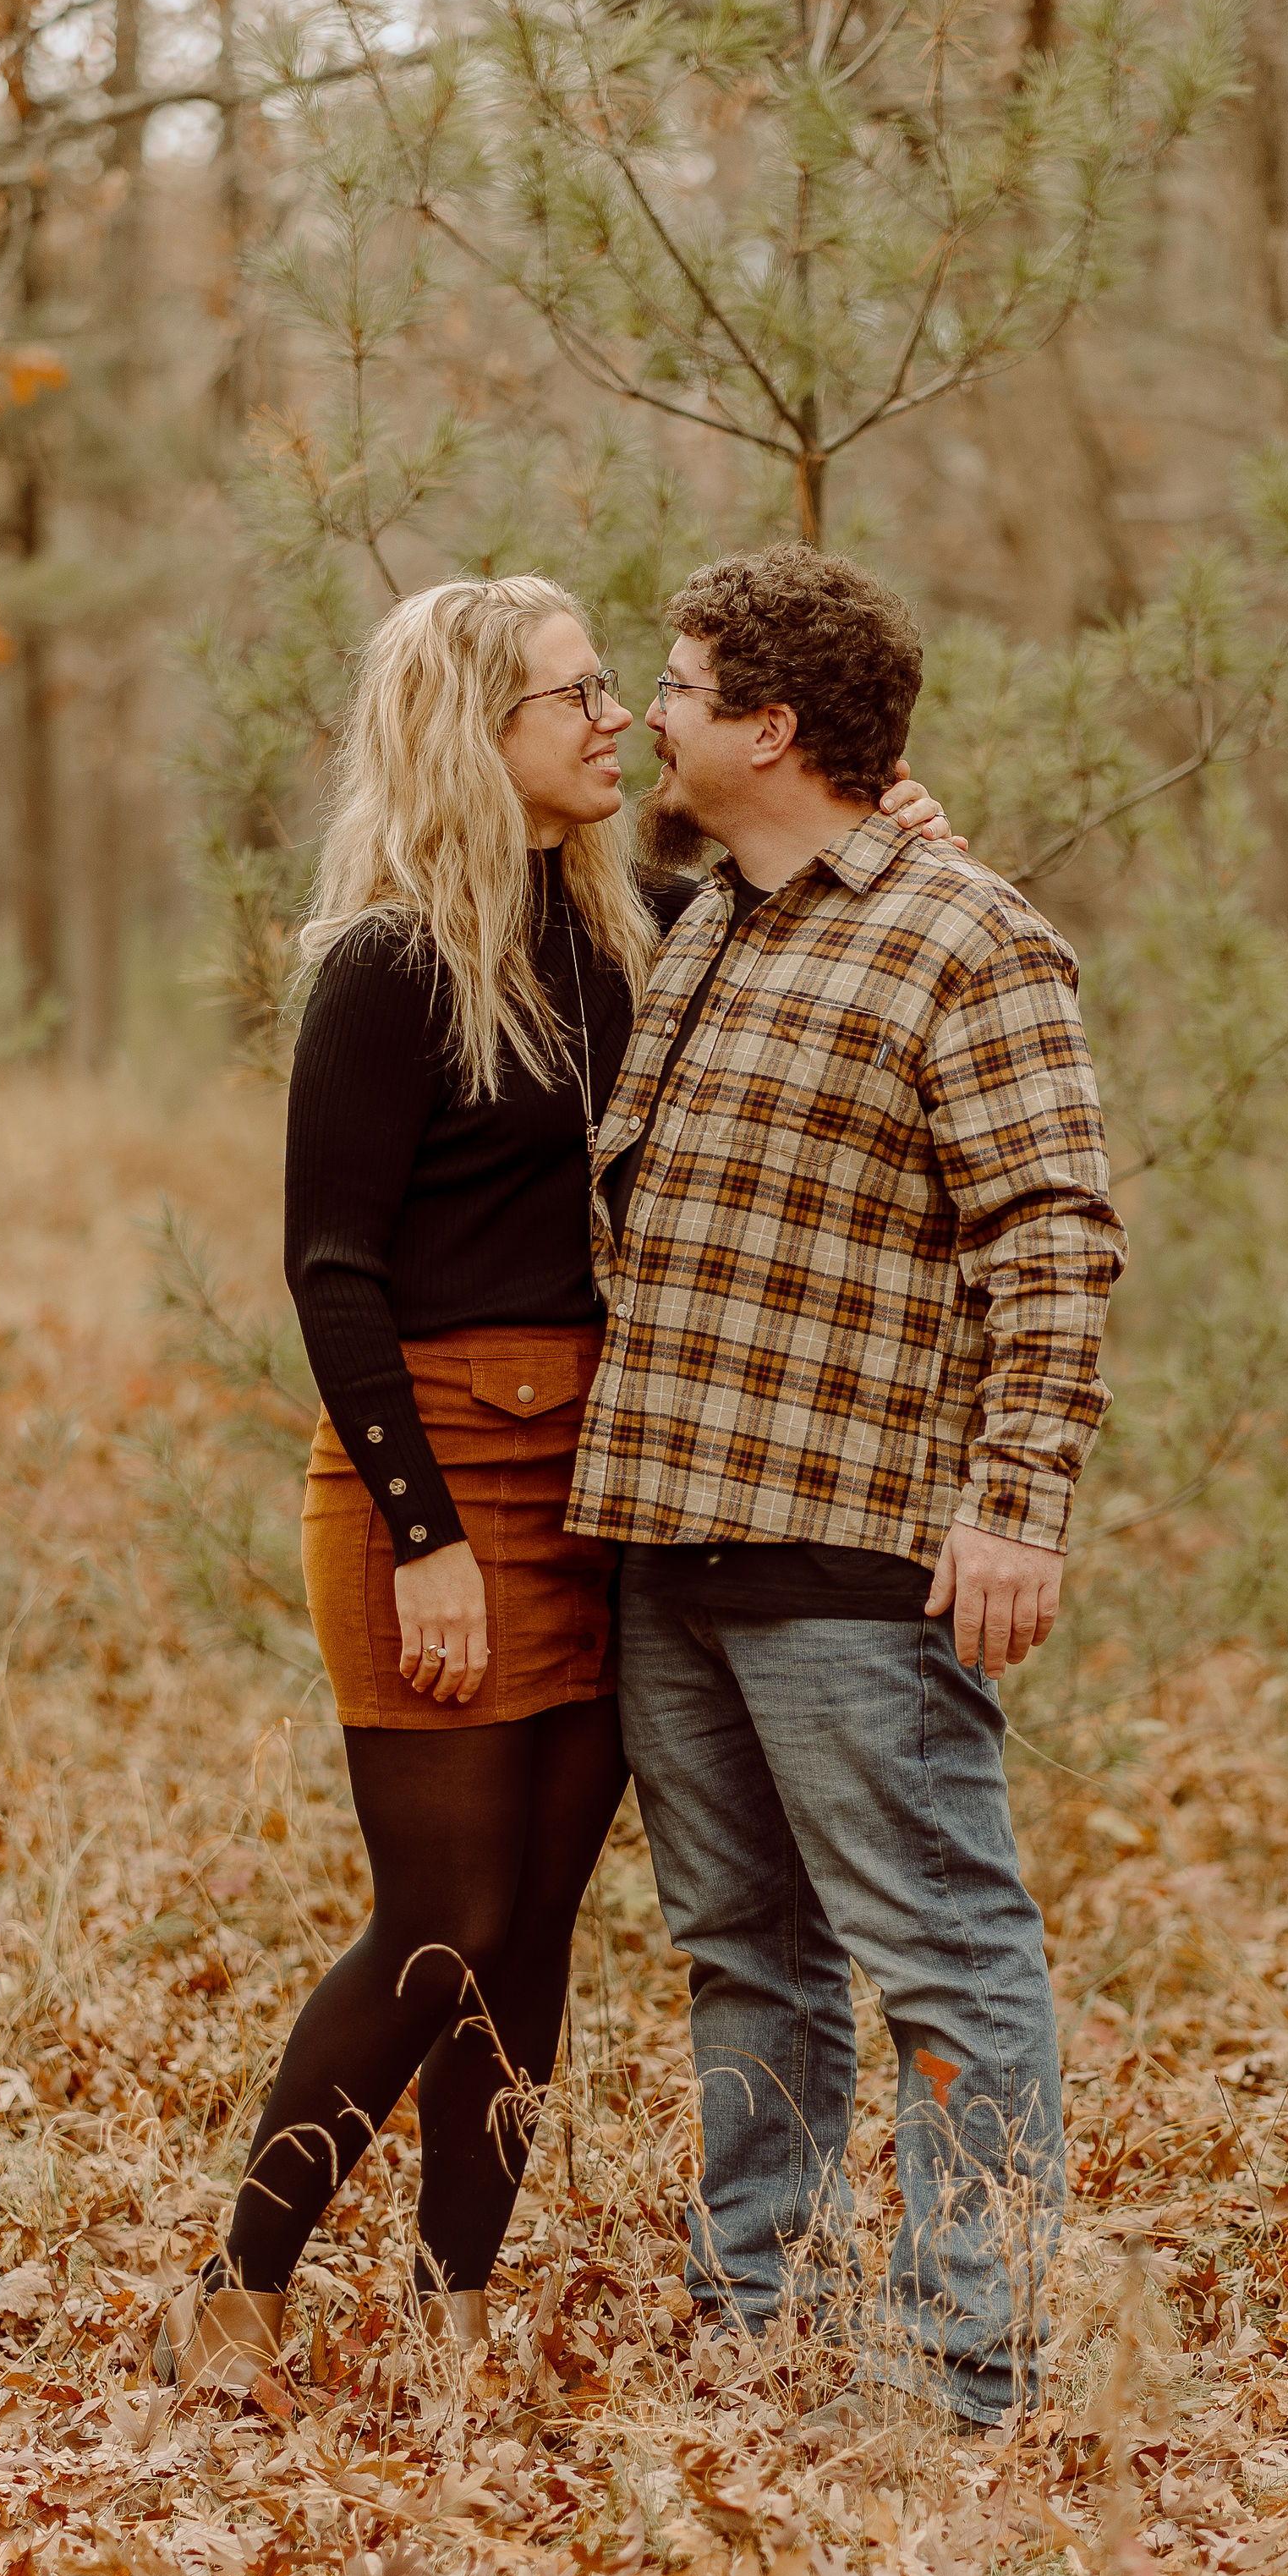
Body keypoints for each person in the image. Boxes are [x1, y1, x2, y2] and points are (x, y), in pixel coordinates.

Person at [154, 573, 959, 2403]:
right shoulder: (386, 968)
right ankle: (234, 2289)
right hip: (429, 1471)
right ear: (475, 734)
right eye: (574, 696)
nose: (616, 720)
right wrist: (426, 1537)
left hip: (603, 1471)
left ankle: (456, 2314)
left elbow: (817, 906)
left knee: (529, 1927)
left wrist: (904, 835)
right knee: (443, 1917)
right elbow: (331, 1270)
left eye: (617, 688)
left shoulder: (639, 926)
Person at [565, 545, 1126, 2437]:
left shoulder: (971, 941)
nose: (648, 713)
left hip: (854, 1558)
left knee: (943, 1958)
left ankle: (974, 2370)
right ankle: (759, 2322)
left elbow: (1052, 1232)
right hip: (669, 1535)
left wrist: (1020, 1501)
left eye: (675, 684)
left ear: (772, 727)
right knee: (745, 1955)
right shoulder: (710, 921)